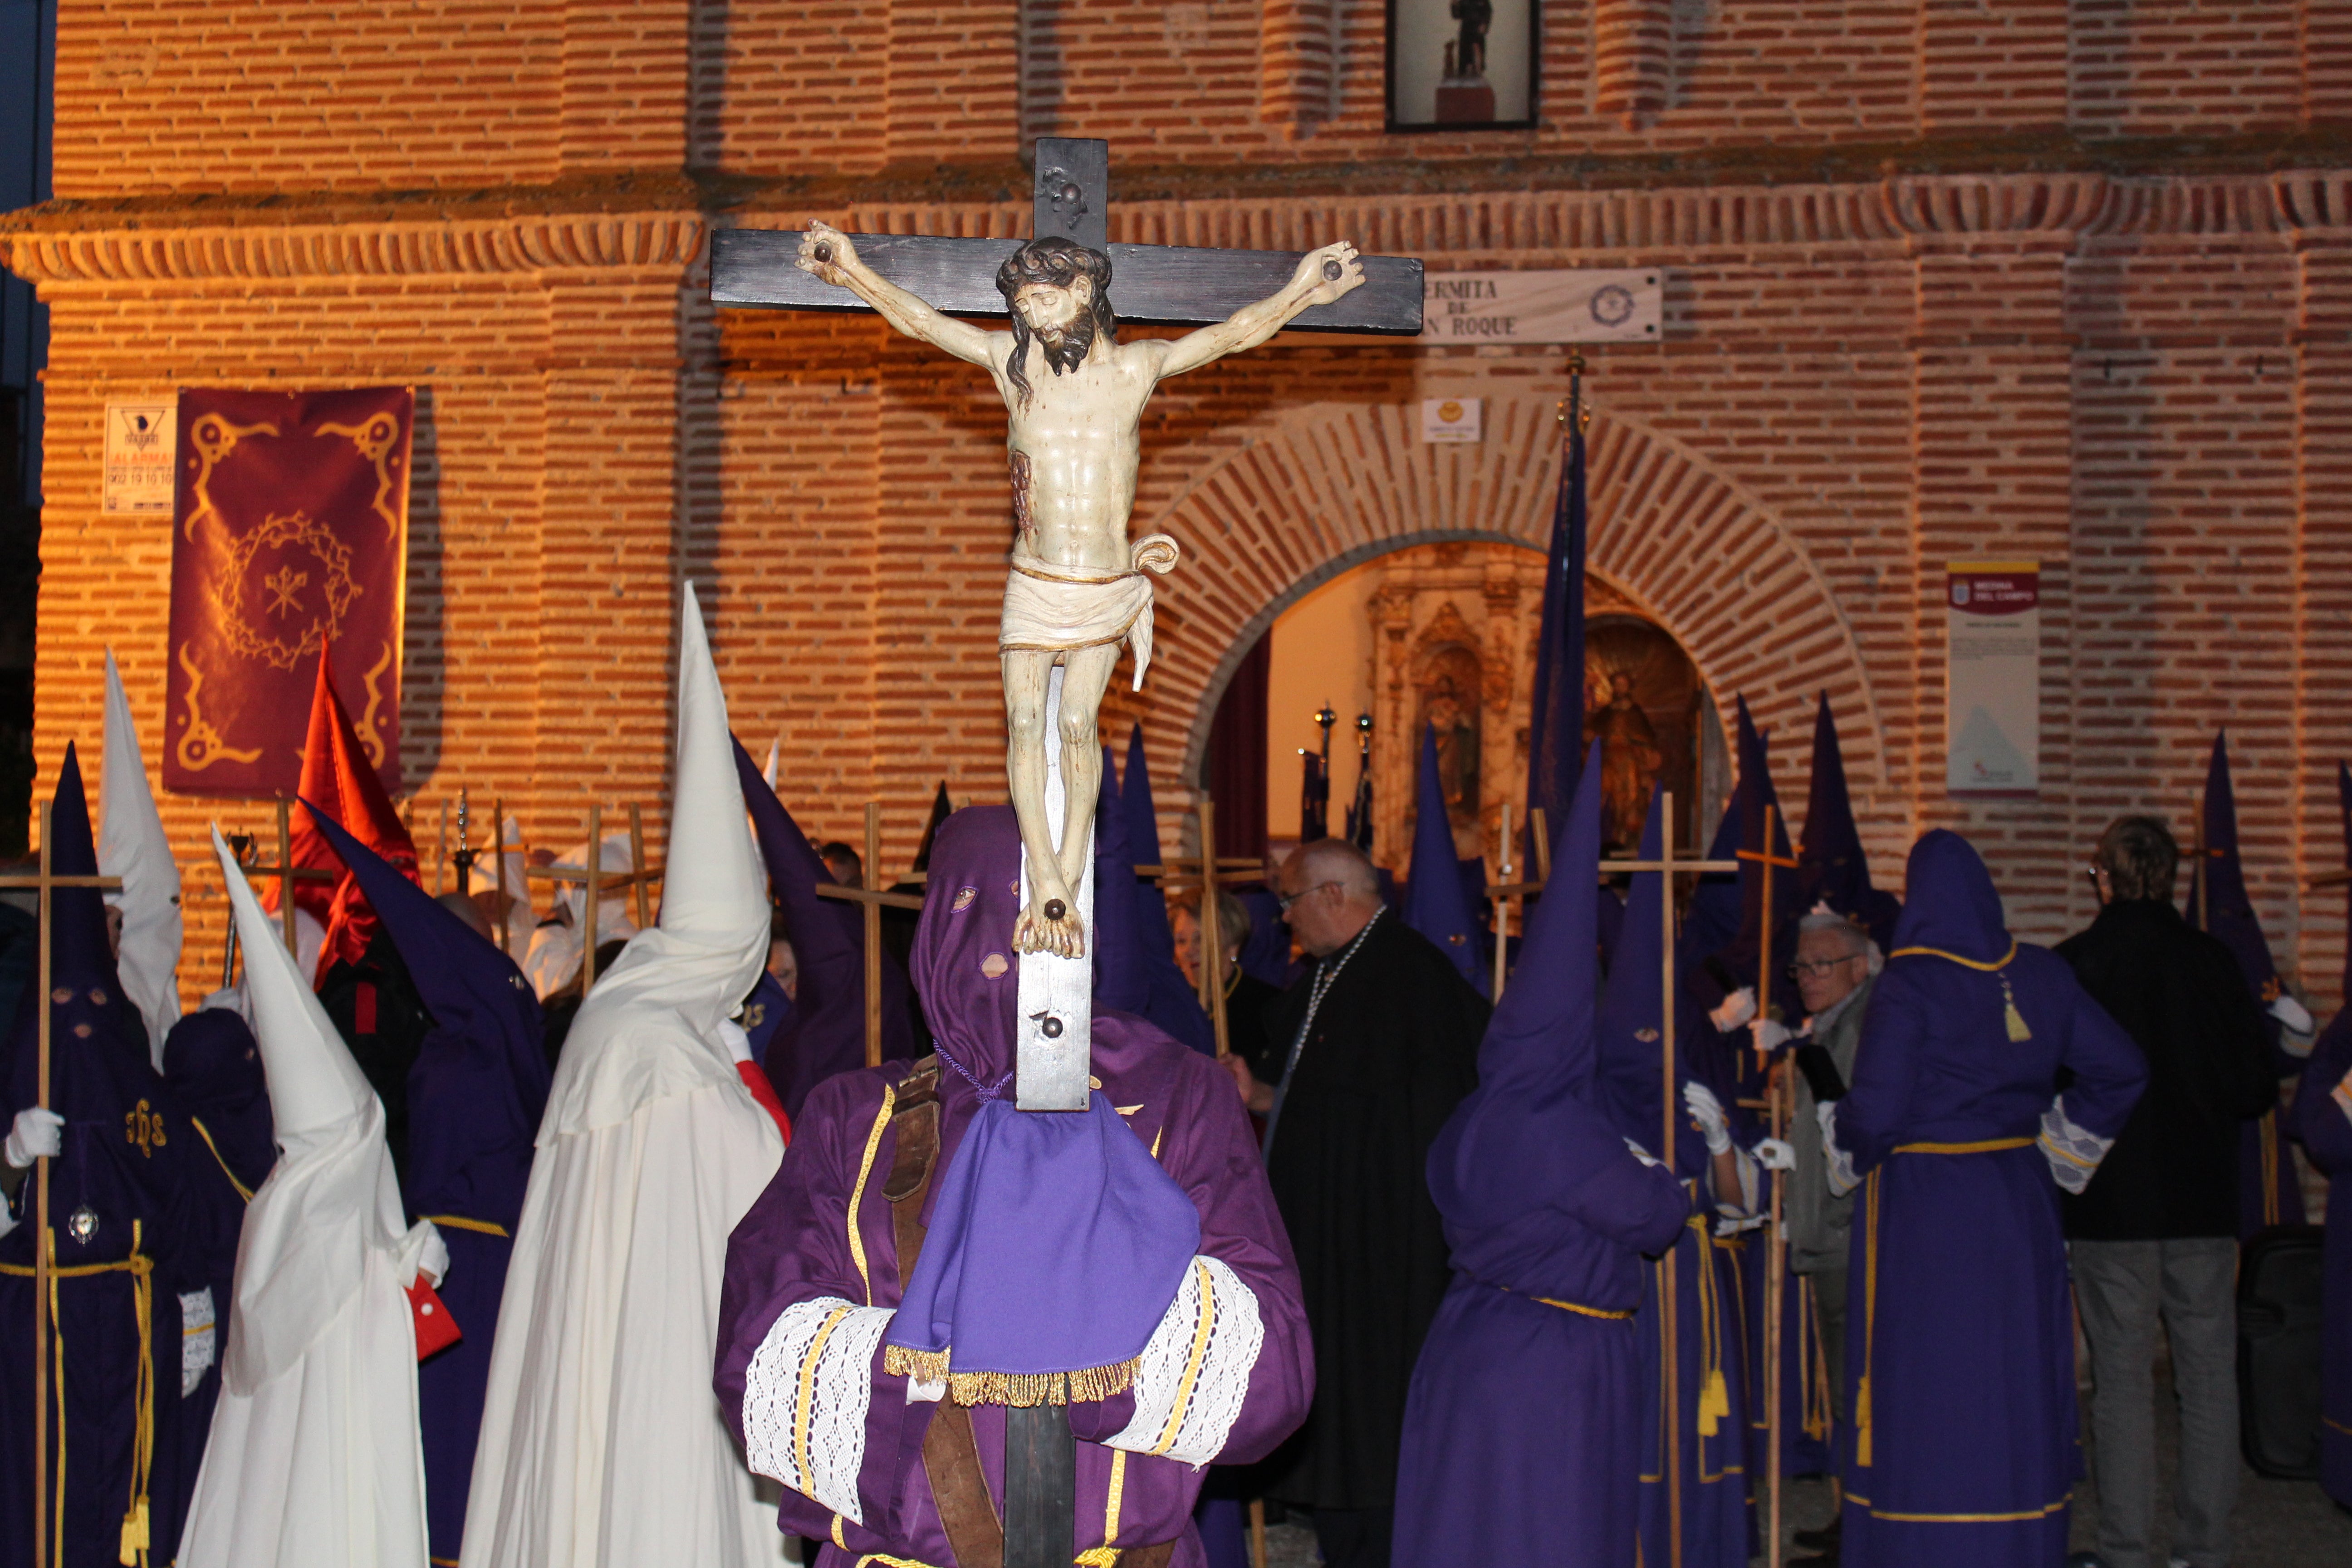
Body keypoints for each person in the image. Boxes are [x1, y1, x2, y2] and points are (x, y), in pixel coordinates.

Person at [715, 804, 1311, 1565]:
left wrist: (1076, 1315)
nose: (999, 954)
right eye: (967, 911)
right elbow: (756, 1355)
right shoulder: (855, 1118)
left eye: (1029, 914)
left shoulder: (1172, 1097)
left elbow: (1275, 1370)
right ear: (928, 929)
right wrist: (960, 1339)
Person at [460, 588, 789, 1568]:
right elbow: (762, 1181)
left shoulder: (618, 1016)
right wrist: (739, 1077)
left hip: (599, 1335)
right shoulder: (673, 1053)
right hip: (666, 1358)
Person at [1395, 756, 1700, 1565]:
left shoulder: (1472, 1115)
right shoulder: (1559, 1126)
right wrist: (1659, 1165)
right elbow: (1655, 1216)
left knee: (1471, 1525)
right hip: (1551, 1364)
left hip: (1469, 1339)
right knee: (1545, 1528)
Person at [1818, 830, 2146, 1567]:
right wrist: (2060, 1148)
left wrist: (1836, 1143)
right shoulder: (2040, 972)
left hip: (1928, 1206)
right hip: (2017, 1202)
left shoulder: (1910, 979)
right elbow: (2121, 1069)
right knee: (2010, 1371)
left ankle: (1924, 1538)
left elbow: (1871, 1111)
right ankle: (2016, 1534)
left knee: (1931, 1375)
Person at [178, 823, 448, 1568]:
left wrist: (403, 1258)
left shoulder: (282, 1197)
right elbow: (351, 1310)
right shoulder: (320, 1203)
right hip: (329, 1431)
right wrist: (399, 1271)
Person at [1221, 836, 1487, 1568]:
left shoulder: (1410, 976)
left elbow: (1420, 1115)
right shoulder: (1329, 975)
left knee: (1377, 1414)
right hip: (1330, 1238)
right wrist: (1260, 1095)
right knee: (1338, 1403)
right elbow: (1322, 1096)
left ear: (1332, 895)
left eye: (1288, 901)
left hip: (1387, 1246)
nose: (1283, 920)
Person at [307, 805, 554, 1566]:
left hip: (468, 1256)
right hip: (450, 1248)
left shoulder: (472, 1045)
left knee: (458, 1425)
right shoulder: (495, 1027)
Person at [2054, 816, 2278, 1568]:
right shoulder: (2210, 962)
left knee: (2118, 1382)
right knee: (2207, 1375)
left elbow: (2044, 1084)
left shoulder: (2075, 964)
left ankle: (2123, 1550)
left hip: (2108, 1203)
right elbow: (2254, 1086)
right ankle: (2203, 1548)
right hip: (2200, 1199)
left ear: (2102, 876)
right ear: (2171, 875)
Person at [1771, 909, 1883, 1563]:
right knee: (1844, 1378)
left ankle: (1864, 1519)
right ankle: (1853, 1510)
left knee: (1855, 1378)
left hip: (1850, 1230)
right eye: (1801, 967)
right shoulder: (1839, 1022)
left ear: (1859, 967)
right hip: (1830, 1224)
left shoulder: (1867, 1027)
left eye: (1821, 966)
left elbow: (1856, 1121)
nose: (1807, 978)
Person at [1173, 888, 1280, 1080]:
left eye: (1201, 939)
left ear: (1233, 946)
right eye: (1181, 941)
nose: (1189, 950)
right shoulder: (1168, 1005)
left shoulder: (1269, 1006)